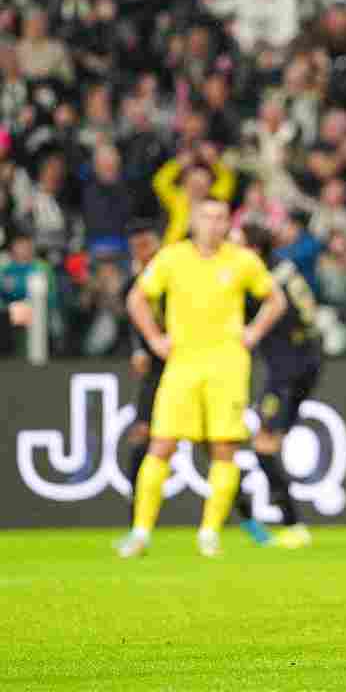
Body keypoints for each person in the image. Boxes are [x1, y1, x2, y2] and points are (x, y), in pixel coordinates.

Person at [117, 197, 287, 558]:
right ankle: (141, 532)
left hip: (227, 365)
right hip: (183, 364)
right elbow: (137, 299)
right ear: (194, 221)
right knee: (161, 443)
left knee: (224, 448)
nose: (213, 224)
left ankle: (209, 534)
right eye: (206, 217)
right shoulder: (172, 258)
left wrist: (253, 333)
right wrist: (153, 339)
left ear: (228, 223)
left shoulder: (242, 261)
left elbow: (276, 300)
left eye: (220, 217)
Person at [237, 223, 324, 549]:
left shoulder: (262, 279)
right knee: (270, 443)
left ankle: (293, 524)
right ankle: (285, 520)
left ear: (254, 249)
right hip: (307, 358)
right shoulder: (284, 268)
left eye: (238, 242)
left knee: (264, 444)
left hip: (287, 366)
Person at [121, 219, 164, 522]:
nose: (142, 252)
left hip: (186, 361)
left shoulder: (175, 272)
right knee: (141, 433)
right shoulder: (133, 285)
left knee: (213, 442)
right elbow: (134, 319)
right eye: (136, 248)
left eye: (146, 245)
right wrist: (139, 349)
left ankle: (247, 514)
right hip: (157, 365)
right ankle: (136, 513)